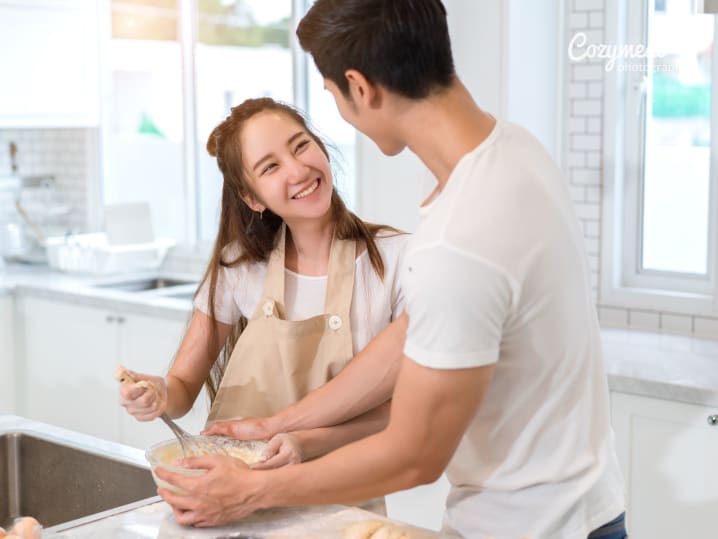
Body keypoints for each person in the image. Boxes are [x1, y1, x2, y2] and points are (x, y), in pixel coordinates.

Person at [155, 2, 627, 538]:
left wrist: (250, 490)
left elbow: (415, 455)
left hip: (528, 527)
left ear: (361, 87)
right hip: (588, 512)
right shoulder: (517, 152)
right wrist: (278, 425)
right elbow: (406, 341)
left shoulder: (454, 242)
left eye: (331, 93)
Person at [118, 97, 407, 475]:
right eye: (270, 166)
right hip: (231, 497)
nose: (298, 169)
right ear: (252, 198)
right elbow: (183, 387)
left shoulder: (396, 260)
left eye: (301, 145)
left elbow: (403, 409)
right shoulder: (240, 268)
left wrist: (302, 442)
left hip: (342, 501)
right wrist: (158, 393)